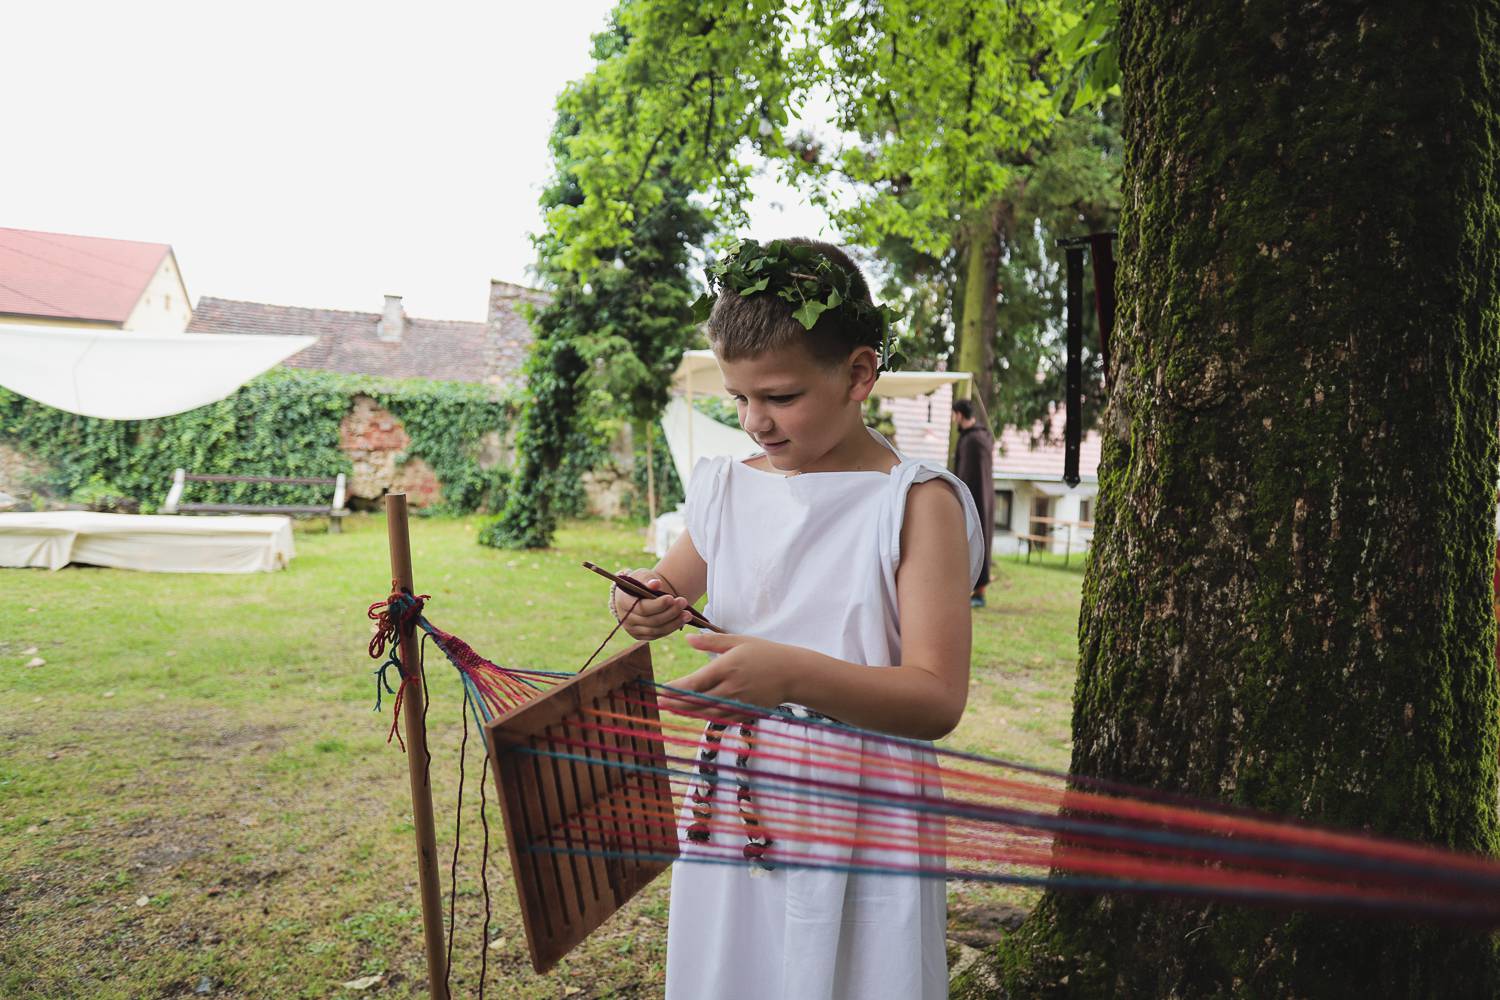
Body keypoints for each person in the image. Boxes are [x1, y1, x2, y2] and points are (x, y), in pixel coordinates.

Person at [608, 238, 984, 1000]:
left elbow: (937, 698)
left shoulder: (916, 504)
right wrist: (638, 600)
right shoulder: (726, 488)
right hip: (736, 797)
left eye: (780, 398)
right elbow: (668, 587)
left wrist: (788, 673)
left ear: (858, 374)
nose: (755, 423)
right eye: (738, 398)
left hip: (865, 802)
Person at [950, 398, 995, 606]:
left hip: (976, 497)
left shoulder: (973, 440)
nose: (953, 419)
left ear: (960, 415)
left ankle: (979, 592)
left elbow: (968, 474)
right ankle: (974, 590)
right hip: (980, 497)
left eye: (954, 414)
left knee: (978, 538)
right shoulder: (978, 437)